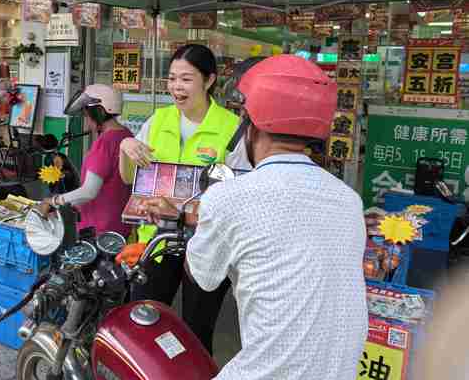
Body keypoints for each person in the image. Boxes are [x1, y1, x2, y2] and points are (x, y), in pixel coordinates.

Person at [141, 55, 368, 379]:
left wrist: (189, 225)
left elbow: (203, 276)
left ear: (249, 124)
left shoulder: (231, 196)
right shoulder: (348, 200)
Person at [118, 44, 250, 354]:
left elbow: (240, 195)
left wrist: (180, 209)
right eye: (172, 78)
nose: (177, 86)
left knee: (196, 332)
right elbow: (129, 179)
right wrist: (125, 147)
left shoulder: (232, 129)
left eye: (186, 79)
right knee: (144, 322)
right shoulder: (157, 120)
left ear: (209, 81)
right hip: (157, 242)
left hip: (207, 246)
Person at [39, 84, 133, 237]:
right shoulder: (126, 135)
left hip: (98, 230)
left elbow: (89, 191)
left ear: (99, 113)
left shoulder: (104, 143)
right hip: (120, 227)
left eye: (88, 116)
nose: (88, 122)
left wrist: (53, 201)